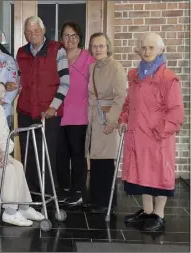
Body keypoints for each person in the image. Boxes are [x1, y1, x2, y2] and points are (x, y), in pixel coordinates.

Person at [119, 32, 185, 231]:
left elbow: (176, 112)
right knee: (141, 175)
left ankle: (159, 215)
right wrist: (123, 119)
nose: (147, 51)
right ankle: (147, 212)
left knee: (158, 177)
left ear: (160, 50)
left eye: (151, 48)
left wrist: (160, 131)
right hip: (137, 136)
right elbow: (129, 103)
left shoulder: (168, 79)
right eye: (144, 47)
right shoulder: (135, 75)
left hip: (158, 138)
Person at [16, 16, 70, 195]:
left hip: (48, 113)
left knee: (46, 154)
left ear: (43, 31)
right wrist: (12, 85)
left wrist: (54, 107)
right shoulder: (21, 52)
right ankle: (29, 193)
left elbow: (65, 81)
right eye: (28, 32)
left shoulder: (57, 49)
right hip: (25, 110)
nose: (32, 35)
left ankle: (47, 193)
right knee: (27, 153)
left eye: (36, 31)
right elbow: (18, 79)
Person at [0, 79, 44, 226]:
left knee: (18, 166)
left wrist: (4, 150)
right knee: (7, 169)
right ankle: (9, 212)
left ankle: (24, 206)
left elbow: (4, 136)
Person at [85, 32, 127, 213]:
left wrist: (112, 121)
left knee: (106, 161)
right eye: (94, 46)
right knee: (95, 160)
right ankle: (96, 199)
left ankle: (106, 202)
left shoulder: (115, 67)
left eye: (101, 46)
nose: (98, 49)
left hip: (108, 118)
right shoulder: (93, 67)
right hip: (96, 118)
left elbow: (121, 96)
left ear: (108, 47)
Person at [56, 21, 94, 206]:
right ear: (61, 38)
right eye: (66, 35)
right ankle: (63, 190)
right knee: (60, 154)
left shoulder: (88, 57)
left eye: (74, 36)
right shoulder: (57, 55)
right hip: (59, 112)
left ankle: (77, 191)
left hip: (80, 114)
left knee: (77, 154)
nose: (70, 39)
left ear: (79, 38)